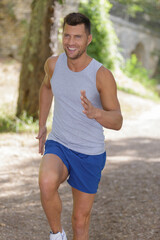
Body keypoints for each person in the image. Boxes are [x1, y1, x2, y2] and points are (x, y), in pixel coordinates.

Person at [36, 12, 123, 240]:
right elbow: (46, 88)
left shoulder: (101, 75)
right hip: (60, 143)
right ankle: (57, 235)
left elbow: (117, 120)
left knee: (80, 222)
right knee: (46, 182)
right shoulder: (53, 65)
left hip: (89, 153)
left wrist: (96, 113)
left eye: (77, 37)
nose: (70, 42)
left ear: (88, 39)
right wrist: (42, 124)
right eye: (67, 36)